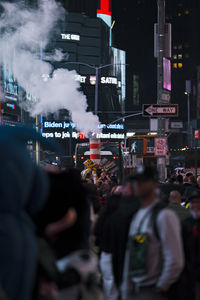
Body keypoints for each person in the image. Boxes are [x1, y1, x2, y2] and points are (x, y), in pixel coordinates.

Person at [119, 166, 184, 300]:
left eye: (143, 181)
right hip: (137, 288)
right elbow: (130, 252)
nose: (138, 185)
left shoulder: (164, 216)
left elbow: (175, 260)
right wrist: (127, 288)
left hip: (153, 289)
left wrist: (160, 288)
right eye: (136, 181)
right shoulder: (138, 214)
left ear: (154, 184)